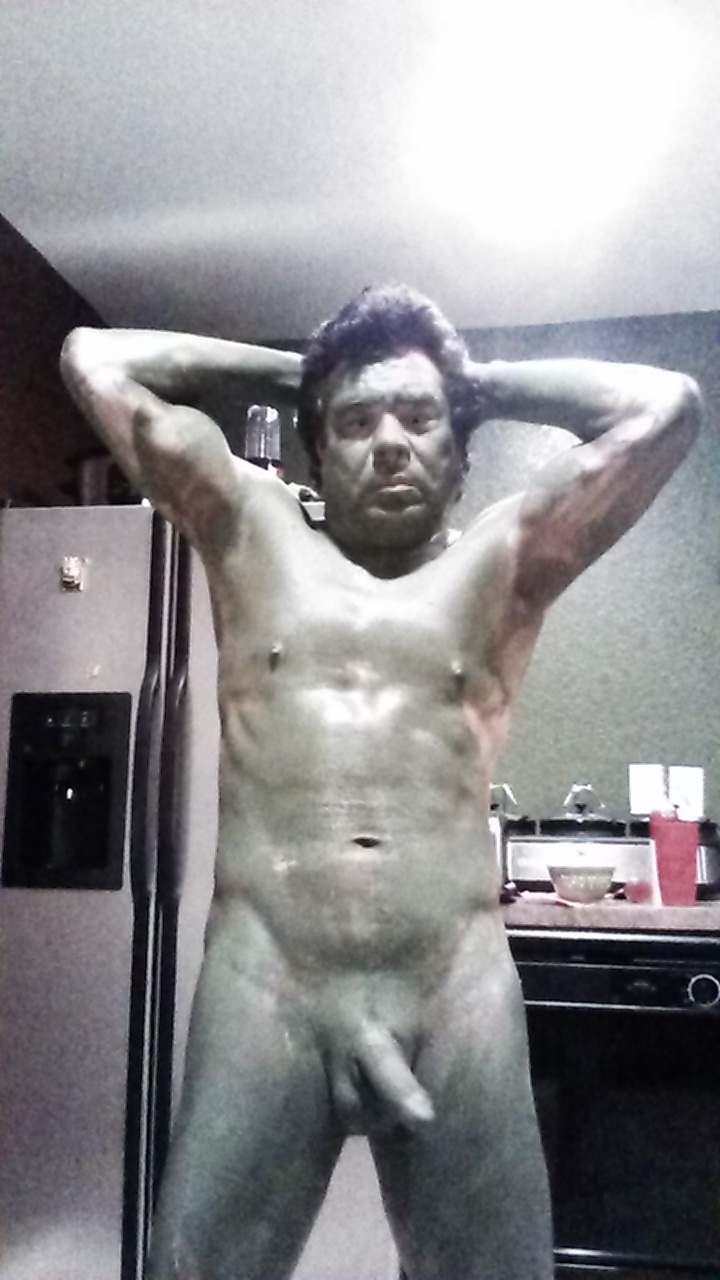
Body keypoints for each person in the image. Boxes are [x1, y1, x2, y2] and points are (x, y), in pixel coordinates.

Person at [60, 284, 702, 1280]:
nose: (392, 443)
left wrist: (474, 380)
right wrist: (300, 373)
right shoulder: (251, 528)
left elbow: (668, 406)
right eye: (357, 422)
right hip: (266, 982)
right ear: (319, 451)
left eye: (420, 416)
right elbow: (92, 361)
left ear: (461, 451)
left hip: (453, 989)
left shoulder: (509, 555)